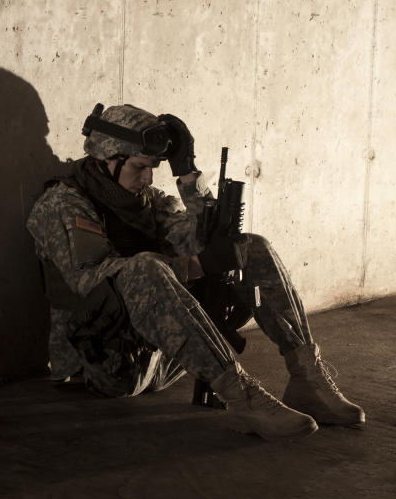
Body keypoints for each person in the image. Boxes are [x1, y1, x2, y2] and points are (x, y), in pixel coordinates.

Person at [26, 103, 365, 441]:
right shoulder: (63, 203)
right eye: (140, 167)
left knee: (252, 247)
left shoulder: (148, 200)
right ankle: (243, 397)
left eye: (154, 168)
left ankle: (308, 377)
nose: (147, 178)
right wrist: (196, 266)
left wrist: (187, 174)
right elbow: (88, 280)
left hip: (165, 351)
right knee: (147, 266)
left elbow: (201, 238)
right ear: (107, 158)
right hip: (107, 362)